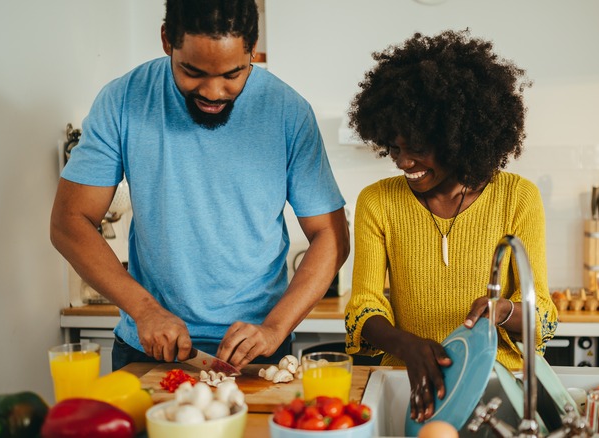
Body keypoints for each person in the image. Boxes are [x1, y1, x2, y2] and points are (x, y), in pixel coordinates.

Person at [50, 0, 349, 372]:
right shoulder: (123, 100)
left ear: (252, 48)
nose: (213, 92)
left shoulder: (288, 112)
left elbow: (330, 235)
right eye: (192, 72)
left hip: (258, 352)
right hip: (149, 347)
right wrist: (144, 310)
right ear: (166, 41)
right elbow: (70, 220)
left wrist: (274, 327)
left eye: (232, 74)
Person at [343, 30, 558, 422]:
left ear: (460, 137)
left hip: (500, 378)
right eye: (394, 147)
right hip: (409, 379)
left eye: (418, 148)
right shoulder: (377, 201)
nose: (403, 162)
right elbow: (364, 306)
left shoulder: (517, 197)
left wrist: (504, 309)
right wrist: (406, 345)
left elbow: (541, 314)